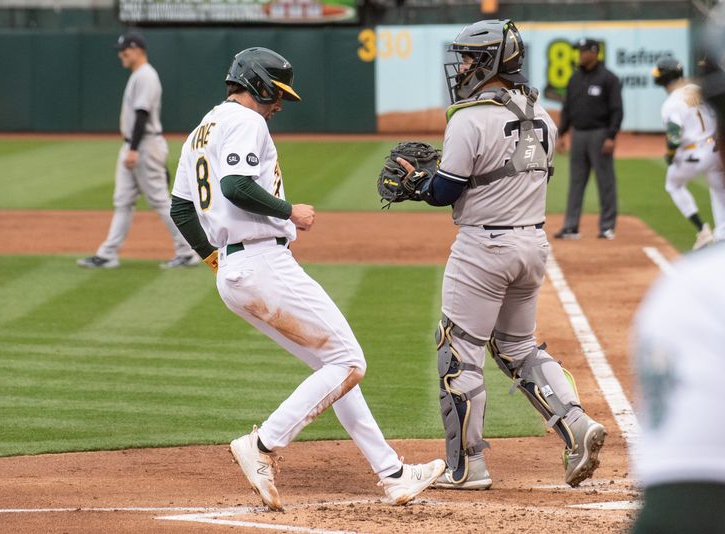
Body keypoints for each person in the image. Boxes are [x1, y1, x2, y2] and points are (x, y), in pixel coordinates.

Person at [168, 47, 445, 511]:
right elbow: (237, 186)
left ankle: (394, 475)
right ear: (255, 83)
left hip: (238, 271)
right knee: (349, 361)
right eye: (276, 93)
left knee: (332, 365)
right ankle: (263, 444)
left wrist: (214, 261)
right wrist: (288, 211)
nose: (279, 104)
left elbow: (181, 208)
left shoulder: (201, 130)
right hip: (263, 264)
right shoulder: (246, 122)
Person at [394, 19, 606, 489]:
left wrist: (415, 185)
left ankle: (467, 467)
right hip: (532, 244)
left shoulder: (469, 116)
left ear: (490, 60)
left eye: (470, 57)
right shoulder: (542, 114)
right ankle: (576, 425)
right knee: (517, 346)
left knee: (459, 353)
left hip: (483, 248)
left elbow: (445, 189)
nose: (463, 65)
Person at [631, 6, 725, 532]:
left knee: (675, 183)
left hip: (692, 154)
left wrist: (673, 157)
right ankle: (714, 228)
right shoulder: (692, 91)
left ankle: (707, 233)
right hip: (708, 151)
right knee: (715, 192)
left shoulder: (697, 298)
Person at [77, 32, 200, 269]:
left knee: (161, 201)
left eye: (124, 50)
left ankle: (187, 252)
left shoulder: (146, 76)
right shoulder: (138, 75)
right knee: (123, 201)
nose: (120, 54)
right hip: (135, 145)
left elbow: (142, 113)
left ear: (136, 50)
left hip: (143, 144)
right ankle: (108, 254)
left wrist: (133, 150)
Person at [652, 56, 725, 250]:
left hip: (694, 155)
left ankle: (702, 230)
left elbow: (674, 134)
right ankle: (721, 235)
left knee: (673, 184)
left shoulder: (670, 103)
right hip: (715, 150)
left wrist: (669, 155)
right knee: (719, 191)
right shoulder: (698, 90)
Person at [554, 38, 623, 241]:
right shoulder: (575, 78)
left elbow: (617, 110)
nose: (580, 55)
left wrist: (611, 136)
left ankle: (607, 227)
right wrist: (562, 134)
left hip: (600, 134)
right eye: (580, 51)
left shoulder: (609, 78)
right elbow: (567, 109)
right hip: (579, 135)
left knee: (605, 182)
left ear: (594, 53)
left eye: (583, 51)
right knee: (576, 182)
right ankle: (571, 226)